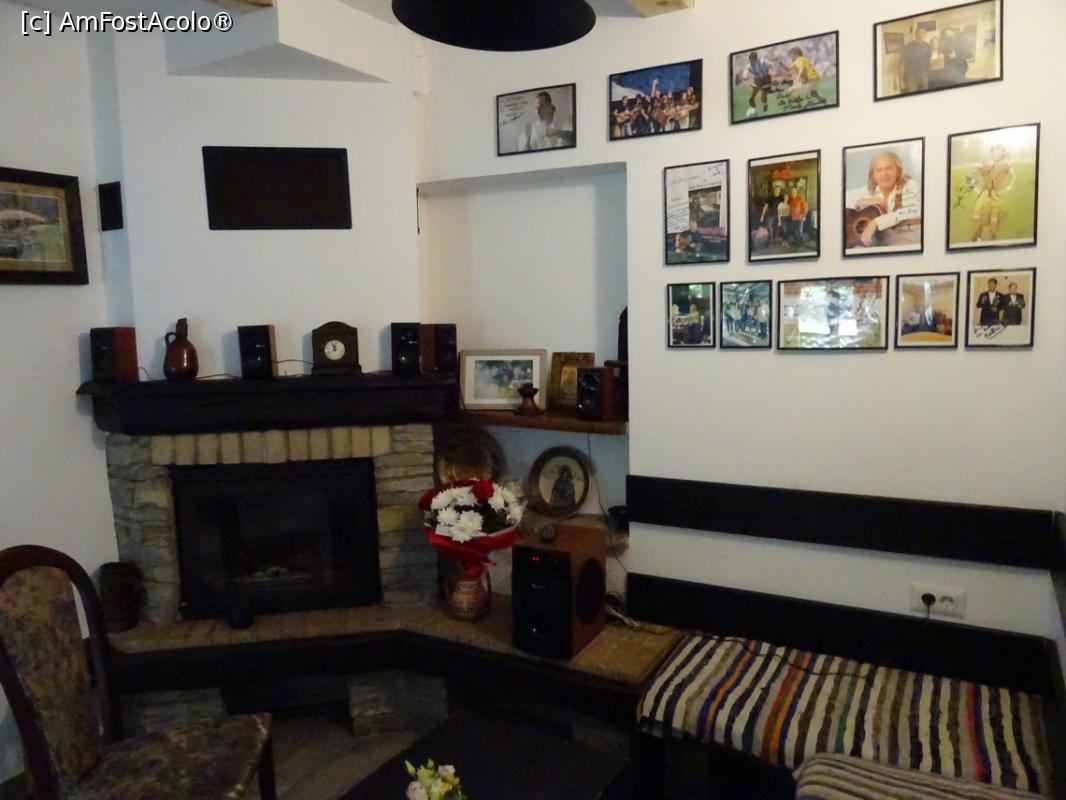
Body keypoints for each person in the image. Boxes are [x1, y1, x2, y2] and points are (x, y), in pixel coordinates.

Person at [844, 151, 921, 248]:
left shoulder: (910, 186)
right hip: (878, 248)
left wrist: (875, 223)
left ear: (898, 171)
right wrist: (858, 202)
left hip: (907, 244)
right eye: (879, 170)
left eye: (889, 168)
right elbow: (838, 198)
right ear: (873, 175)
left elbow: (905, 212)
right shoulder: (867, 191)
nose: (884, 174)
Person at [970, 145, 1015, 243]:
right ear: (991, 154)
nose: (997, 154)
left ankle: (993, 235)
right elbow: (977, 171)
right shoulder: (987, 163)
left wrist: (1009, 186)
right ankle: (976, 235)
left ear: (1002, 154)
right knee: (977, 209)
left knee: (994, 213)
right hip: (986, 191)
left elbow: (1013, 175)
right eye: (995, 152)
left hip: (998, 192)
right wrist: (972, 180)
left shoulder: (1005, 164)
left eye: (999, 152)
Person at [899, 26, 933, 93]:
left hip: (924, 75)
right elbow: (902, 64)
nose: (921, 34)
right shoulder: (908, 46)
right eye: (919, 32)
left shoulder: (928, 46)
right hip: (911, 76)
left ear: (925, 34)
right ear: (915, 33)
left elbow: (930, 61)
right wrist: (901, 80)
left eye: (923, 32)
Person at [744, 51, 773, 118]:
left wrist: (770, 65)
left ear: (756, 59)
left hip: (766, 80)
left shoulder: (763, 61)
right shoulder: (748, 65)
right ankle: (753, 110)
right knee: (751, 98)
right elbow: (745, 71)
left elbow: (771, 64)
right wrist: (745, 76)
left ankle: (765, 104)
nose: (751, 62)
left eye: (752, 60)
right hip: (757, 81)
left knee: (762, 98)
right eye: (750, 60)